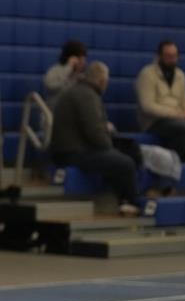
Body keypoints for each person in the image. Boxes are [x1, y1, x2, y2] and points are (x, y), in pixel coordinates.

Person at [50, 62, 142, 216]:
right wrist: (110, 147)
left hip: (76, 146)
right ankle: (129, 201)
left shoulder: (81, 91)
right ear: (102, 81)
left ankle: (126, 194)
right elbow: (95, 133)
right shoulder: (87, 96)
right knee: (126, 163)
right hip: (73, 151)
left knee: (130, 147)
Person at [136, 41, 185, 161]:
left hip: (178, 118)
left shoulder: (180, 75)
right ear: (159, 56)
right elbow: (147, 106)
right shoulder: (147, 74)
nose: (172, 60)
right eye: (168, 56)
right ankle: (170, 162)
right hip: (155, 121)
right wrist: (177, 114)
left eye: (174, 56)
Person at [43, 40, 87, 104]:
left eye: (84, 59)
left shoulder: (83, 76)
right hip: (55, 108)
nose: (83, 63)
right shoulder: (55, 70)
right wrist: (68, 67)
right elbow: (50, 86)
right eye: (80, 59)